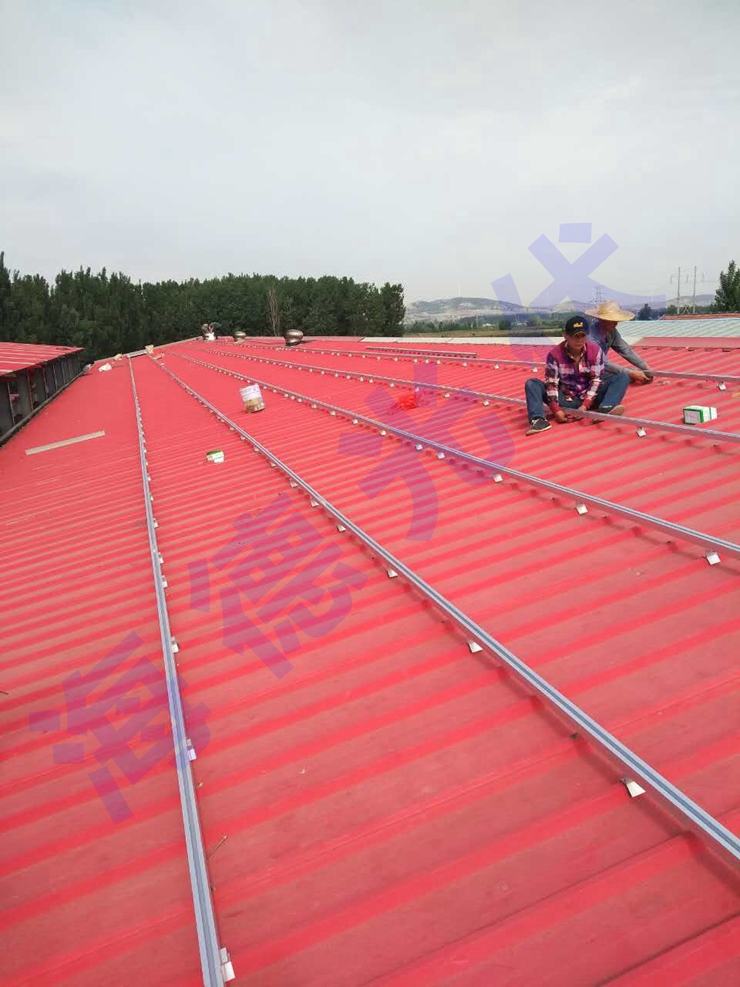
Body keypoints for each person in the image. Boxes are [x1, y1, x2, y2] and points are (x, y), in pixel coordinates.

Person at [524, 316, 629, 434]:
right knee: (532, 383)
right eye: (575, 336)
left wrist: (585, 405)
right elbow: (551, 384)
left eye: (582, 336)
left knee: (623, 376)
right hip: (566, 398)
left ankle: (605, 409)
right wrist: (556, 410)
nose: (579, 340)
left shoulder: (595, 351)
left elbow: (596, 381)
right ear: (565, 335)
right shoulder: (555, 355)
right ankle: (538, 420)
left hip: (590, 398)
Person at [585, 299, 654, 384]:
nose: (616, 324)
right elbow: (602, 362)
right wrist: (631, 373)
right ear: (603, 320)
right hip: (586, 371)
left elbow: (625, 350)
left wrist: (644, 366)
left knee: (632, 372)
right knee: (624, 376)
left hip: (600, 368)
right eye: (613, 321)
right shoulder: (590, 338)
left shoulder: (612, 332)